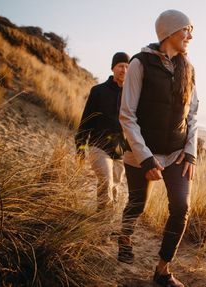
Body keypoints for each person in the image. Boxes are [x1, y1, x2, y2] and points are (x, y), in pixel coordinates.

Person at [117, 9, 199, 287]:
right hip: (142, 154)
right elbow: (127, 115)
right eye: (185, 29)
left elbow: (193, 115)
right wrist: (146, 158)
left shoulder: (189, 69)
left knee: (181, 208)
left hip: (177, 154)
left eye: (191, 30)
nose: (190, 35)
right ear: (168, 32)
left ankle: (162, 270)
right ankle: (125, 238)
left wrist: (191, 152)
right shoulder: (140, 64)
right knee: (137, 204)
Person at [75, 52, 130, 211]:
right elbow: (86, 121)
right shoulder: (98, 91)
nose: (124, 70)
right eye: (121, 66)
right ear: (113, 67)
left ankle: (104, 224)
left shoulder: (131, 95)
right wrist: (81, 148)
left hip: (120, 152)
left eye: (127, 67)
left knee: (114, 188)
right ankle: (103, 226)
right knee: (106, 181)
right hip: (98, 146)